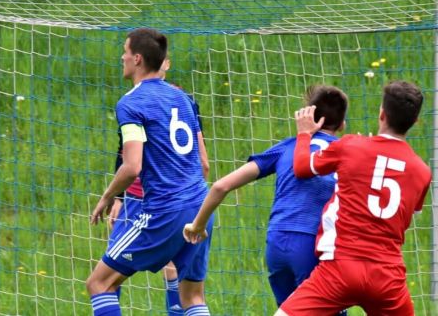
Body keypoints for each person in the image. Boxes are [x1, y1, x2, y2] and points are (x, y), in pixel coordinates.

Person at [183, 85, 348, 313]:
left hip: (277, 244)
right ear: (342, 124)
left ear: (307, 116)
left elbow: (221, 186)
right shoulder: (347, 153)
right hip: (314, 245)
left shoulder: (286, 148)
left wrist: (198, 224)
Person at [275, 80, 431, 316]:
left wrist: (304, 135)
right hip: (387, 277)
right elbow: (410, 210)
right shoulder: (422, 171)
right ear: (415, 122)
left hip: (341, 268)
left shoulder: (351, 145)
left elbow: (302, 167)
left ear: (381, 114)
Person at [87, 28, 212, 316]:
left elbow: (132, 166)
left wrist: (108, 196)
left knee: (99, 283)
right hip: (201, 206)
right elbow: (203, 164)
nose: (122, 56)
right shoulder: (183, 99)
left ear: (138, 59)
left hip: (164, 211)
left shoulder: (131, 103)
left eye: (126, 51)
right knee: (192, 297)